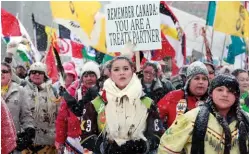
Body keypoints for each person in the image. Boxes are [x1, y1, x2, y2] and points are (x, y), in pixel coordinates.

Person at [62, 56, 164, 154]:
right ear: (110, 75)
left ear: (132, 73)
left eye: (125, 69)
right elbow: (85, 137)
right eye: (116, 69)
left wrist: (143, 145)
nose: (121, 73)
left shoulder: (147, 103)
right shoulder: (95, 104)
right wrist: (104, 147)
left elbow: (157, 134)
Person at [158, 74, 249, 154]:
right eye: (220, 90)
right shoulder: (191, 118)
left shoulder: (246, 120)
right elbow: (166, 148)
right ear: (211, 93)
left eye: (230, 91)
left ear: (236, 95)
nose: (225, 94)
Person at [55, 61, 101, 153]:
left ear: (97, 77)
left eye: (92, 75)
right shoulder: (72, 92)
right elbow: (62, 118)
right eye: (86, 76)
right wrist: (60, 140)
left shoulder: (103, 92)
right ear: (81, 78)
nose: (89, 78)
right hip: (74, 140)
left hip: (96, 140)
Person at [158, 61, 209, 128]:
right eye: (197, 78)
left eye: (204, 79)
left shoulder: (213, 100)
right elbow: (156, 117)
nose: (201, 82)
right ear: (188, 81)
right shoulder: (173, 97)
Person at [22, 62, 59, 153]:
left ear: (45, 75)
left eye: (40, 72)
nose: (37, 74)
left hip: (48, 142)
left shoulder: (54, 91)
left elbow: (59, 116)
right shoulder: (21, 89)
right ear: (29, 74)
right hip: (25, 141)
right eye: (34, 72)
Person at [1, 62, 34, 152]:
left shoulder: (20, 91)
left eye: (4, 71)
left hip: (13, 143)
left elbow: (26, 115)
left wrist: (28, 132)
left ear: (10, 74)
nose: (1, 73)